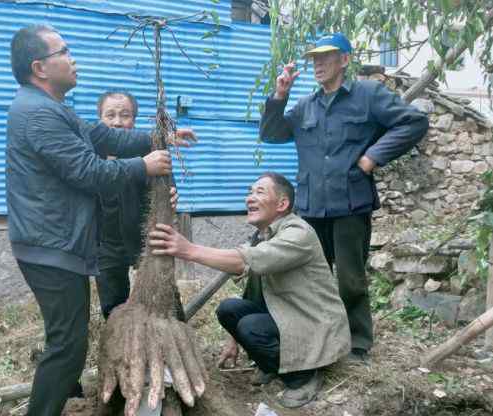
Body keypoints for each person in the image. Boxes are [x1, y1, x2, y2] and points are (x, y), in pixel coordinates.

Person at [6, 25, 195, 416]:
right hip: (50, 245)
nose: (72, 58)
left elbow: (105, 138)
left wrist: (158, 139)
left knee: (67, 343)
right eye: (65, 51)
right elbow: (90, 172)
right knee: (67, 347)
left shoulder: (53, 108)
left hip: (55, 242)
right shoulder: (38, 115)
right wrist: (144, 166)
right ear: (40, 67)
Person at [259, 33, 429, 362]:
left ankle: (358, 344)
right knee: (307, 278)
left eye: (326, 57)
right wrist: (280, 93)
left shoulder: (368, 94)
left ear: (345, 60)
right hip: (310, 206)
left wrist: (373, 157)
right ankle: (314, 338)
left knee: (351, 278)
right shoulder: (305, 105)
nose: (318, 64)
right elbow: (270, 133)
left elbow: (413, 121)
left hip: (350, 204)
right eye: (314, 59)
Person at [148, 172, 351, 408]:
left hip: (313, 323)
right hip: (288, 314)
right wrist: (234, 340)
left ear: (282, 204)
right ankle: (275, 365)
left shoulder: (298, 233)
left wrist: (187, 249)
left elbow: (244, 261)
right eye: (249, 192)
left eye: (259, 192)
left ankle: (303, 376)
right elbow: (252, 290)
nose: (249, 198)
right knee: (229, 309)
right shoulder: (264, 236)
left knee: (251, 327)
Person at [95, 90, 173, 318]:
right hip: (105, 243)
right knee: (113, 307)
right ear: (100, 119)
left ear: (134, 120)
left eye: (125, 115)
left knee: (164, 298)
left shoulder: (149, 149)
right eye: (110, 115)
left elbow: (166, 186)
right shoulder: (89, 152)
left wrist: (170, 196)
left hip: (145, 237)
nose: (117, 122)